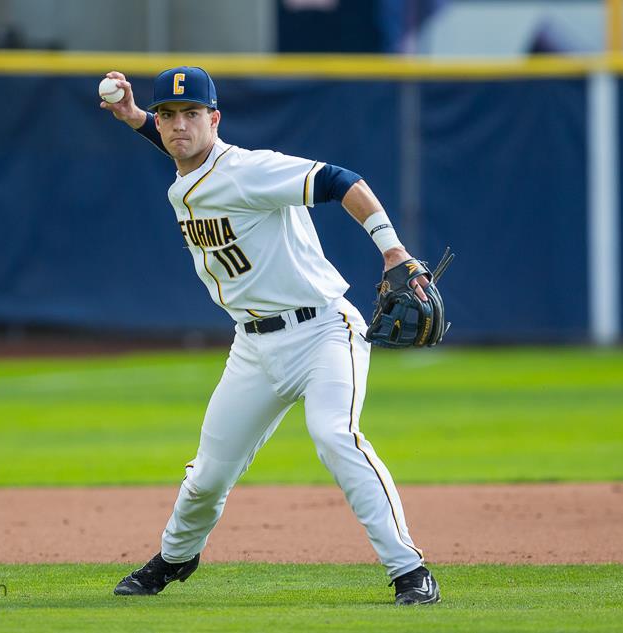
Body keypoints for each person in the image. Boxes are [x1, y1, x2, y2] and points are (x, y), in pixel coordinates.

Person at [99, 66, 439, 606]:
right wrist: (138, 117)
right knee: (209, 474)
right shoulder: (187, 175)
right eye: (168, 116)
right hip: (253, 346)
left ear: (215, 118)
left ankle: (409, 570)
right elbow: (190, 158)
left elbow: (341, 180)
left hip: (323, 331)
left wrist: (392, 250)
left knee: (335, 436)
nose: (178, 125)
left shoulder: (253, 170)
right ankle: (175, 557)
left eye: (191, 114)